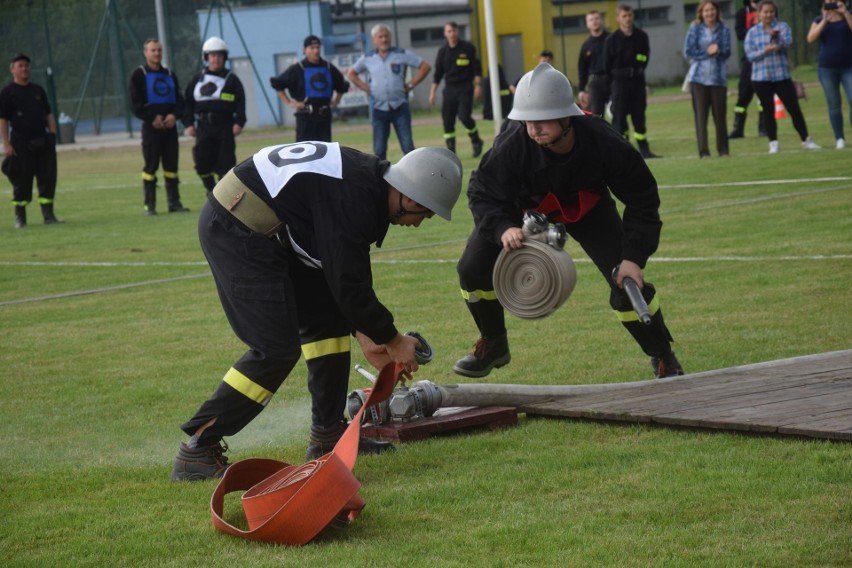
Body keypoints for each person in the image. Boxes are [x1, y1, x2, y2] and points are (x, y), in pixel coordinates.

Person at [170, 142, 462, 481]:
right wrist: (392, 339)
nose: (420, 223)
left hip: (269, 228)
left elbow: (339, 279)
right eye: (424, 214)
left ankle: (327, 435)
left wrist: (367, 333)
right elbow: (349, 283)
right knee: (275, 350)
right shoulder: (354, 199)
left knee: (328, 324)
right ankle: (197, 448)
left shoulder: (363, 184)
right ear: (410, 199)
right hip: (239, 227)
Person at [453, 64, 683, 381]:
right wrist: (502, 228)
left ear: (566, 116)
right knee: (471, 269)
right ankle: (494, 345)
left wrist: (633, 257)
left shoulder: (605, 141)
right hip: (523, 211)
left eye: (543, 118)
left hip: (587, 208)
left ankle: (663, 356)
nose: (533, 128)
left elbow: (643, 199)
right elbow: (482, 191)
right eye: (527, 120)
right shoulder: (513, 144)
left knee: (627, 284)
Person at [745, 0, 821, 154]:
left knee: (794, 108)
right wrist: (764, 51)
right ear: (759, 14)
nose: (768, 15)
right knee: (768, 111)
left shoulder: (782, 27)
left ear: (775, 13)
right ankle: (773, 142)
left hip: (781, 75)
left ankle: (806, 139)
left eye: (771, 12)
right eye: (765, 12)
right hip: (761, 77)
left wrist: (777, 39)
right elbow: (750, 56)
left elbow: (787, 44)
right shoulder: (752, 32)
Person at [347, 24, 432, 160]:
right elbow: (351, 73)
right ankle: (380, 180)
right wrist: (366, 88)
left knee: (408, 148)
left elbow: (425, 66)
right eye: (380, 37)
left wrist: (411, 84)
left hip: (400, 107)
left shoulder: (401, 54)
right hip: (379, 109)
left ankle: (414, 178)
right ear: (374, 40)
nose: (384, 40)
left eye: (386, 36)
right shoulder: (368, 58)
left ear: (390, 38)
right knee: (379, 150)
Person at [0, 53, 61, 228]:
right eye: (20, 65)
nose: (24, 68)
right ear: (12, 69)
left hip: (43, 140)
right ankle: (20, 217)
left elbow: (48, 113)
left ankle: (48, 214)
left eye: (27, 65)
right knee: (22, 179)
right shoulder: (7, 92)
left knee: (47, 177)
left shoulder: (38, 90)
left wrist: (52, 134)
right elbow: (3, 119)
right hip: (21, 142)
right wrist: (6, 143)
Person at [128, 38, 189, 215]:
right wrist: (151, 118)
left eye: (159, 50)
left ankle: (174, 203)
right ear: (145, 52)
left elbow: (180, 101)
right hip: (150, 129)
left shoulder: (170, 74)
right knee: (151, 167)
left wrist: (173, 116)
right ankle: (150, 205)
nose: (157, 53)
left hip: (170, 130)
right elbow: (135, 104)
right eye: (153, 50)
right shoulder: (138, 75)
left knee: (171, 167)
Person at [183, 37, 246, 196]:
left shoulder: (232, 80)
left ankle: (222, 197)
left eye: (219, 55)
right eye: (212, 55)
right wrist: (189, 124)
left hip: (225, 127)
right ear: (206, 57)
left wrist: (239, 122)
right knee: (201, 163)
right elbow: (187, 102)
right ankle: (211, 190)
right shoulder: (197, 79)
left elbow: (241, 102)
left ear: (224, 57)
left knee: (226, 165)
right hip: (203, 127)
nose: (215, 59)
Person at [605, 4, 661, 159]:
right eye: (624, 16)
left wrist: (635, 69)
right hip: (619, 85)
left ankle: (644, 150)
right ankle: (622, 151)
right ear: (618, 18)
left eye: (629, 15)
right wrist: (620, 75)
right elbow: (607, 66)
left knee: (639, 116)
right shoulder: (612, 40)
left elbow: (644, 58)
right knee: (619, 118)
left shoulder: (641, 36)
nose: (627, 19)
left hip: (637, 83)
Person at [270, 35, 350, 143]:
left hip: (324, 116)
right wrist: (289, 102)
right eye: (312, 48)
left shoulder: (328, 67)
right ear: (305, 50)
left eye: (317, 47)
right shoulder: (297, 69)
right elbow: (277, 83)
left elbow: (342, 84)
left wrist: (336, 101)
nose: (316, 51)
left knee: (324, 151)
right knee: (304, 152)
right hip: (305, 117)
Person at [683, 0, 732, 158]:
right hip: (699, 78)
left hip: (718, 79)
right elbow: (688, 52)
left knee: (720, 116)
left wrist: (717, 51)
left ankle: (723, 149)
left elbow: (727, 52)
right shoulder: (695, 28)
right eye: (706, 10)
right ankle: (704, 151)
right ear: (701, 13)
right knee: (701, 117)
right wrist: (707, 53)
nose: (710, 13)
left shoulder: (724, 29)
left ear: (717, 12)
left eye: (712, 10)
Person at [428, 21, 485, 158]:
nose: (452, 34)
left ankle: (476, 140)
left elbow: (476, 69)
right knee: (447, 121)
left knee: (464, 116)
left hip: (465, 88)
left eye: (454, 31)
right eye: (449, 31)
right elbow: (438, 74)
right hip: (449, 89)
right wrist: (433, 92)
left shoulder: (468, 48)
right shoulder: (442, 52)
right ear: (445, 34)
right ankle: (451, 152)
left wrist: (478, 86)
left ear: (458, 32)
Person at [806, 0, 852, 150]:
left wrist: (845, 12)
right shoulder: (819, 20)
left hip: (849, 66)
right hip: (827, 68)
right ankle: (839, 138)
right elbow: (811, 38)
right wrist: (825, 19)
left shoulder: (847, 17)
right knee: (834, 104)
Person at [729, 0, 766, 139]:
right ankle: (738, 128)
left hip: (765, 58)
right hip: (749, 60)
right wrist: (757, 30)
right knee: (743, 94)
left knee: (764, 95)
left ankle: (764, 127)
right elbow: (740, 34)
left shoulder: (767, 9)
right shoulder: (741, 13)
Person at [577, 10, 611, 118]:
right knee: (596, 115)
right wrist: (581, 89)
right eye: (591, 20)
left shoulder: (612, 40)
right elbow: (582, 69)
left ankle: (618, 135)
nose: (594, 22)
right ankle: (599, 135)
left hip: (613, 80)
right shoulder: (586, 45)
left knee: (617, 112)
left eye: (597, 18)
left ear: (602, 20)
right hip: (596, 83)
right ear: (587, 24)